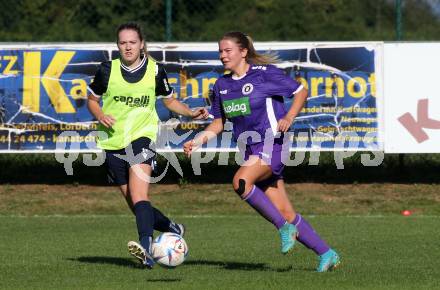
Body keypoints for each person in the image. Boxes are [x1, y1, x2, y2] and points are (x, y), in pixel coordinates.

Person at [183, 31, 340, 272]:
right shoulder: (221, 85)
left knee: (241, 181)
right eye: (220, 51)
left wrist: (288, 116)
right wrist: (198, 140)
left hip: (272, 143)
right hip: (251, 150)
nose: (222, 55)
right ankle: (327, 254)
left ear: (243, 52)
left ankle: (283, 229)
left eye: (228, 50)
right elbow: (219, 123)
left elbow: (300, 92)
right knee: (286, 212)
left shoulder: (264, 75)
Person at [87, 22, 209, 269]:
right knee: (135, 204)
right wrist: (100, 114)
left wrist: (190, 112)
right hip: (112, 141)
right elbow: (92, 100)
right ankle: (171, 227)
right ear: (117, 45)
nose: (128, 47)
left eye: (132, 42)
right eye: (123, 42)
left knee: (141, 195)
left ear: (141, 44)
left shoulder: (155, 71)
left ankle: (146, 247)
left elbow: (170, 101)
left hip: (142, 137)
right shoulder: (106, 70)